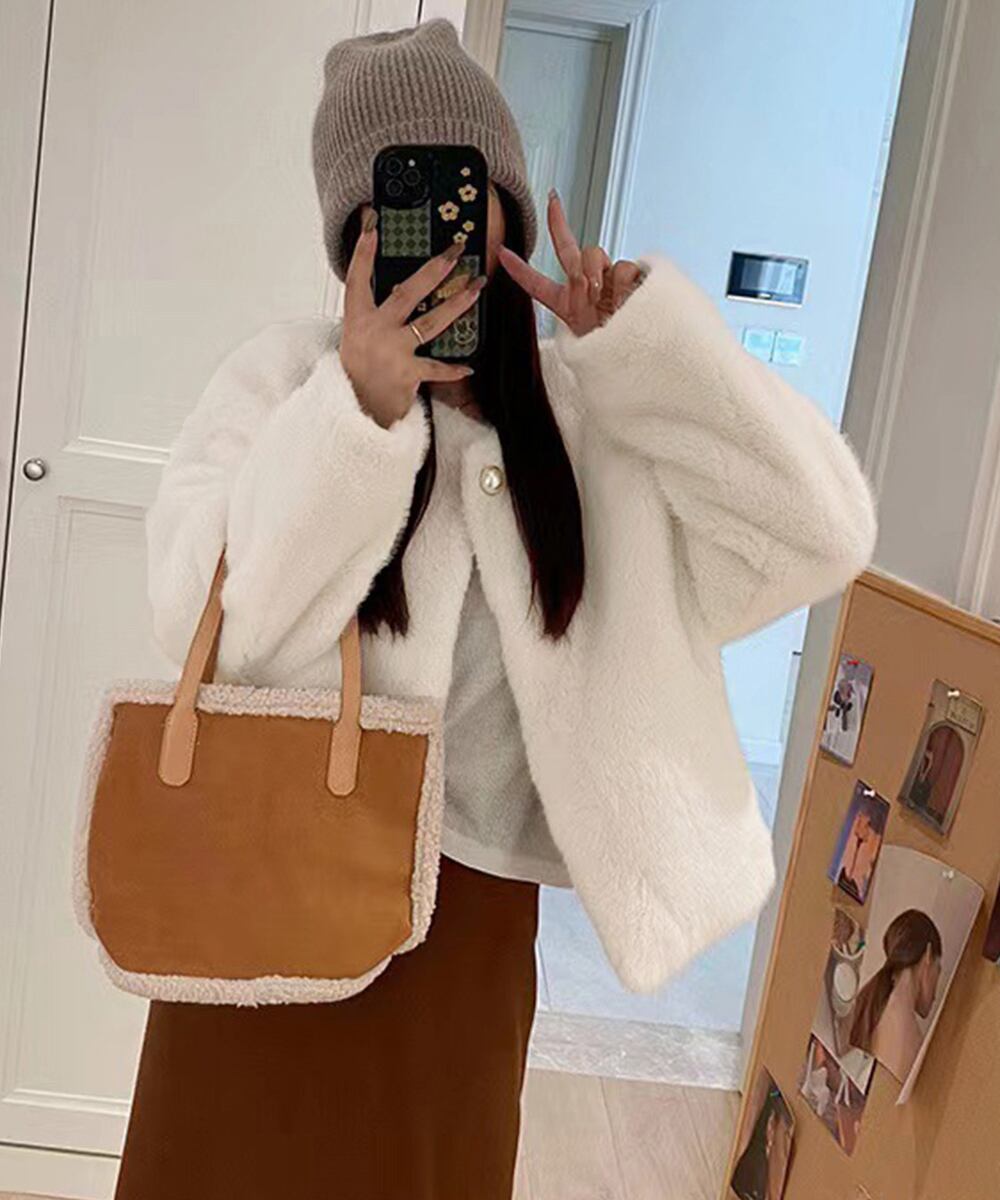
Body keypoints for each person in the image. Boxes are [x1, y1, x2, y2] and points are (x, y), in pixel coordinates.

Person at [112, 18, 877, 1200]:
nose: (437, 249)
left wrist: (654, 358)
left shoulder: (592, 417)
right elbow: (205, 624)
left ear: (505, 213)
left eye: (463, 209)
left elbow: (821, 533)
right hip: (266, 889)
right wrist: (355, 417)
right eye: (393, 219)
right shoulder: (281, 382)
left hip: (464, 937)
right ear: (349, 245)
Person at [849, 909, 943, 1083]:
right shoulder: (911, 1043)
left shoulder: (871, 1008)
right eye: (938, 969)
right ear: (928, 955)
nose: (936, 995)